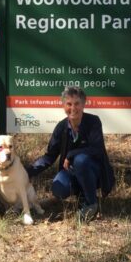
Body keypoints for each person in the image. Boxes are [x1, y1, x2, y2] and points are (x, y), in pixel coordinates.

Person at [27, 87, 116, 223]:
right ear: (63, 106)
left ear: (83, 104)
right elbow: (49, 156)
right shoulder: (61, 127)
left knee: (80, 160)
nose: (73, 108)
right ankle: (82, 197)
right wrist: (27, 171)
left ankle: (91, 203)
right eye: (69, 104)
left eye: (77, 103)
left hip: (95, 172)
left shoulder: (93, 121)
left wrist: (71, 154)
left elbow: (97, 149)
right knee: (58, 188)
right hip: (72, 172)